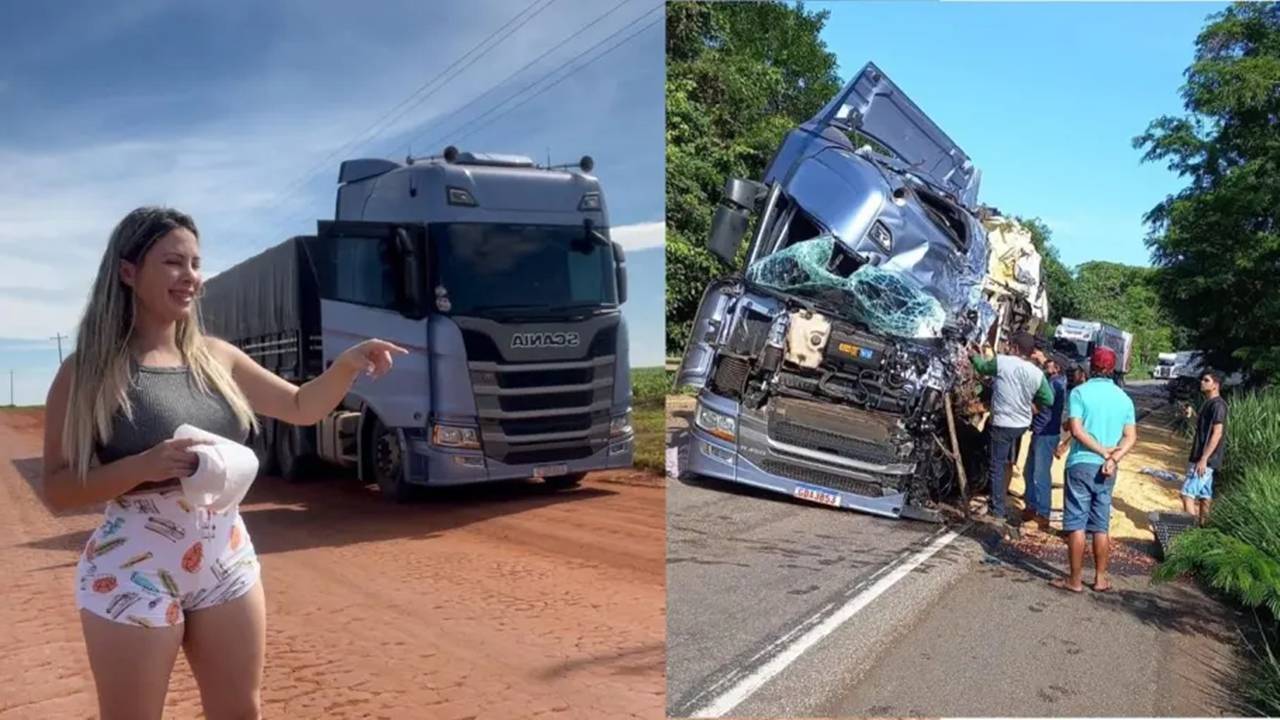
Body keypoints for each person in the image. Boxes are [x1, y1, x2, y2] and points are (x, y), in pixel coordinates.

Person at [40, 207, 407, 720]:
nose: (191, 277)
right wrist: (144, 465)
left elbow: (301, 407)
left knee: (240, 711)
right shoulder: (87, 372)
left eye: (195, 263)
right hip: (132, 565)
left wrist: (347, 366)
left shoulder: (218, 358)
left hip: (224, 558)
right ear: (128, 272)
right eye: (173, 262)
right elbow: (57, 490)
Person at [1052, 347, 1136, 593]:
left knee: (1076, 523)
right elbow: (1131, 437)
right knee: (1101, 525)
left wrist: (1101, 452)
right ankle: (1100, 579)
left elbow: (1076, 430)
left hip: (1081, 464)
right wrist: (1113, 456)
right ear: (1112, 370)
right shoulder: (1124, 398)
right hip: (1108, 469)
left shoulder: (1080, 393)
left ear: (1091, 367)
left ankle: (1075, 580)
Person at [970, 332, 1054, 521]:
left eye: (1009, 345)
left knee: (996, 465)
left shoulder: (1003, 362)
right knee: (1006, 459)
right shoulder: (1036, 373)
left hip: (1002, 423)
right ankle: (997, 500)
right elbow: (1048, 398)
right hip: (1021, 425)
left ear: (1015, 348)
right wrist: (1034, 407)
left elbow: (982, 368)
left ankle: (997, 509)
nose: (1007, 347)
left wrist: (971, 355)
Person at [1022, 358, 1066, 528]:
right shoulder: (1056, 382)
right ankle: (1032, 506)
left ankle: (1043, 512)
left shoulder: (1054, 385)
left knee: (1040, 474)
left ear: (1057, 367)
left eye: (1050, 362)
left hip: (1046, 433)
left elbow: (1044, 404)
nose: (1046, 363)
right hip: (1041, 432)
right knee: (1030, 471)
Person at [1181, 369, 1228, 526]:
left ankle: (1190, 535)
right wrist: (1192, 415)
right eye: (1202, 379)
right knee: (1204, 496)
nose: (1202, 382)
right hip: (1203, 458)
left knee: (1187, 494)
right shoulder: (1208, 404)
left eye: (1206, 380)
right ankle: (1203, 530)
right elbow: (1202, 428)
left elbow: (1217, 433)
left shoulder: (1218, 405)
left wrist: (1204, 458)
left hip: (1205, 460)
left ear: (1215, 385)